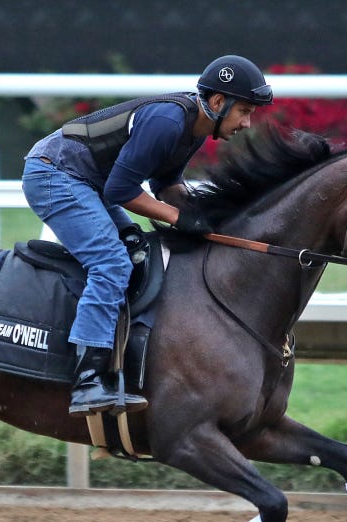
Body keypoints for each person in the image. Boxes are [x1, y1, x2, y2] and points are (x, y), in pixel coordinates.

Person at [22, 54, 274, 417]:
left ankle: (119, 359)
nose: (247, 123)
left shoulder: (193, 127)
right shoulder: (168, 121)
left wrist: (206, 216)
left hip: (86, 181)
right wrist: (178, 217)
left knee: (134, 250)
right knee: (111, 263)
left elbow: (165, 184)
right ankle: (87, 380)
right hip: (55, 174)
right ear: (219, 102)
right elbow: (121, 190)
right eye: (245, 111)